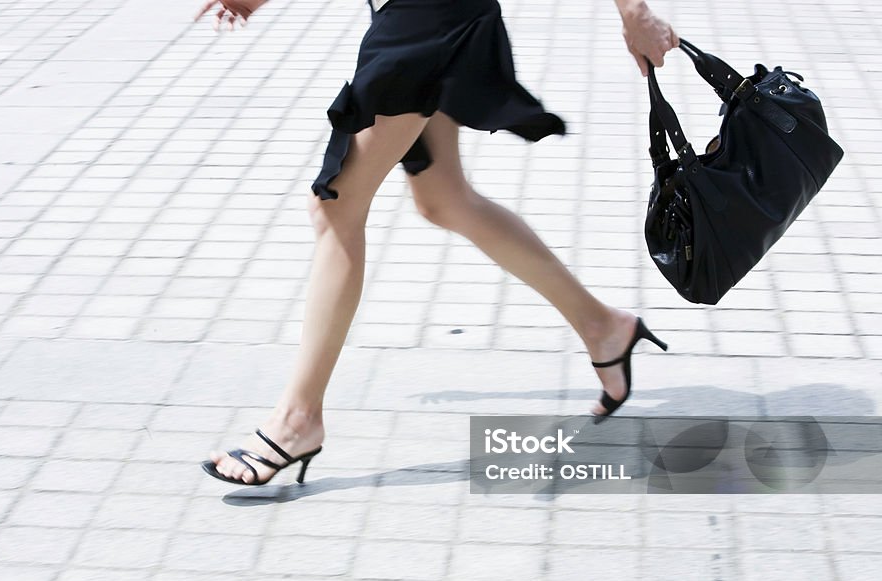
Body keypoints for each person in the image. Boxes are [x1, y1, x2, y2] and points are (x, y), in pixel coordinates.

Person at [197, 0, 679, 486]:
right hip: (426, 14)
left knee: (336, 207)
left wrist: (634, 11)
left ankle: (298, 419)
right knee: (445, 199)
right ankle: (603, 327)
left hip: (430, 14)